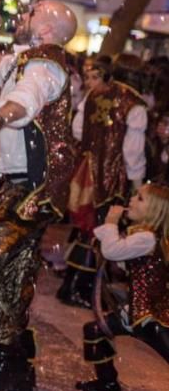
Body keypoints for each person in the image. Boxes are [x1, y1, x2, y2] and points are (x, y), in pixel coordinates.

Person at [0, 0, 79, 391]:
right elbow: (3, 66)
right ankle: (16, 358)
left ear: (45, 30)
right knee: (14, 270)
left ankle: (7, 353)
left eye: (31, 13)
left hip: (34, 186)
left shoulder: (46, 65)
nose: (21, 16)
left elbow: (26, 100)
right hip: (17, 183)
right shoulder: (25, 58)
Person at [62, 55, 148, 308]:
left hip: (86, 170)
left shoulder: (94, 94)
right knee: (100, 229)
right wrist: (138, 185)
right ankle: (79, 287)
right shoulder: (135, 105)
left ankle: (74, 284)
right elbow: (133, 153)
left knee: (86, 229)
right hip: (110, 175)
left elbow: (78, 129)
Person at [75, 183, 169, 391]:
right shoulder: (144, 235)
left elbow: (112, 251)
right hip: (137, 313)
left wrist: (111, 222)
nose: (132, 200)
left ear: (155, 210)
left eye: (140, 199)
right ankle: (107, 384)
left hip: (152, 319)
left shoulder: (147, 238)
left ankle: (107, 384)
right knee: (95, 329)